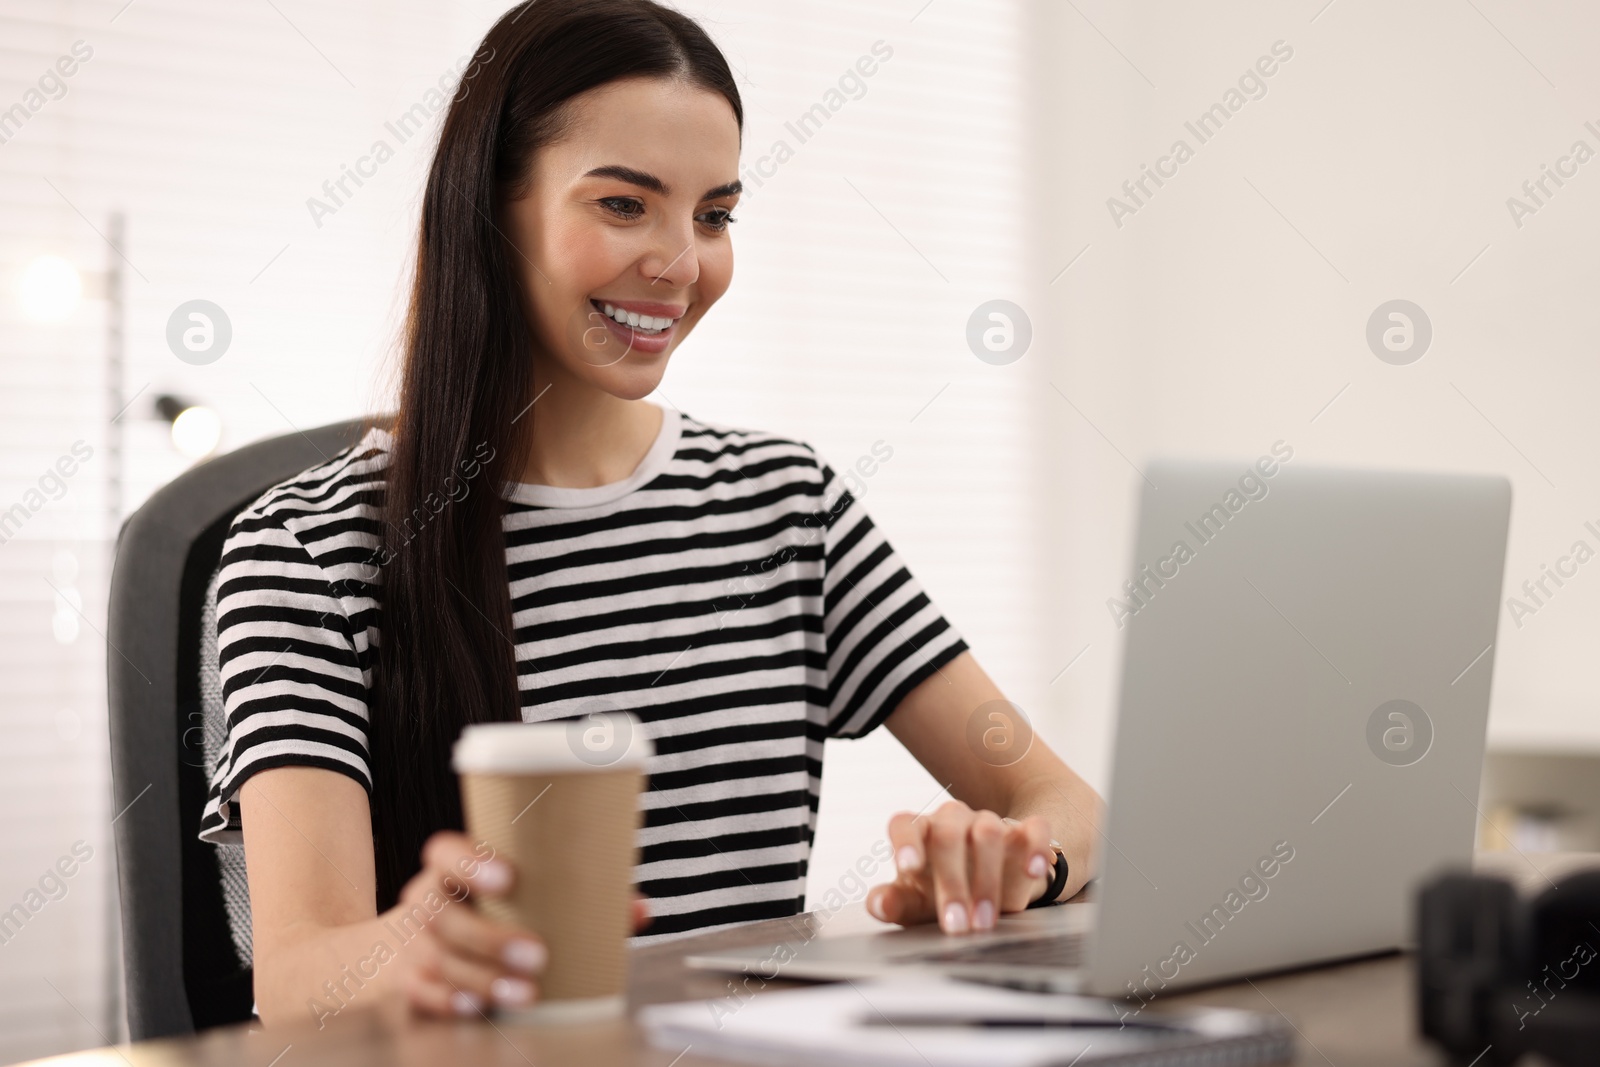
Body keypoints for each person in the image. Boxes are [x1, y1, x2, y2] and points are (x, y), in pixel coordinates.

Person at [197, 0, 1103, 1026]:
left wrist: (1019, 857)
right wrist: (420, 946)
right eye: (625, 205)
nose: (680, 261)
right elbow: (298, 975)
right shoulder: (307, 549)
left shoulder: (784, 504)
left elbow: (1065, 802)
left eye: (713, 214)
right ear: (492, 210)